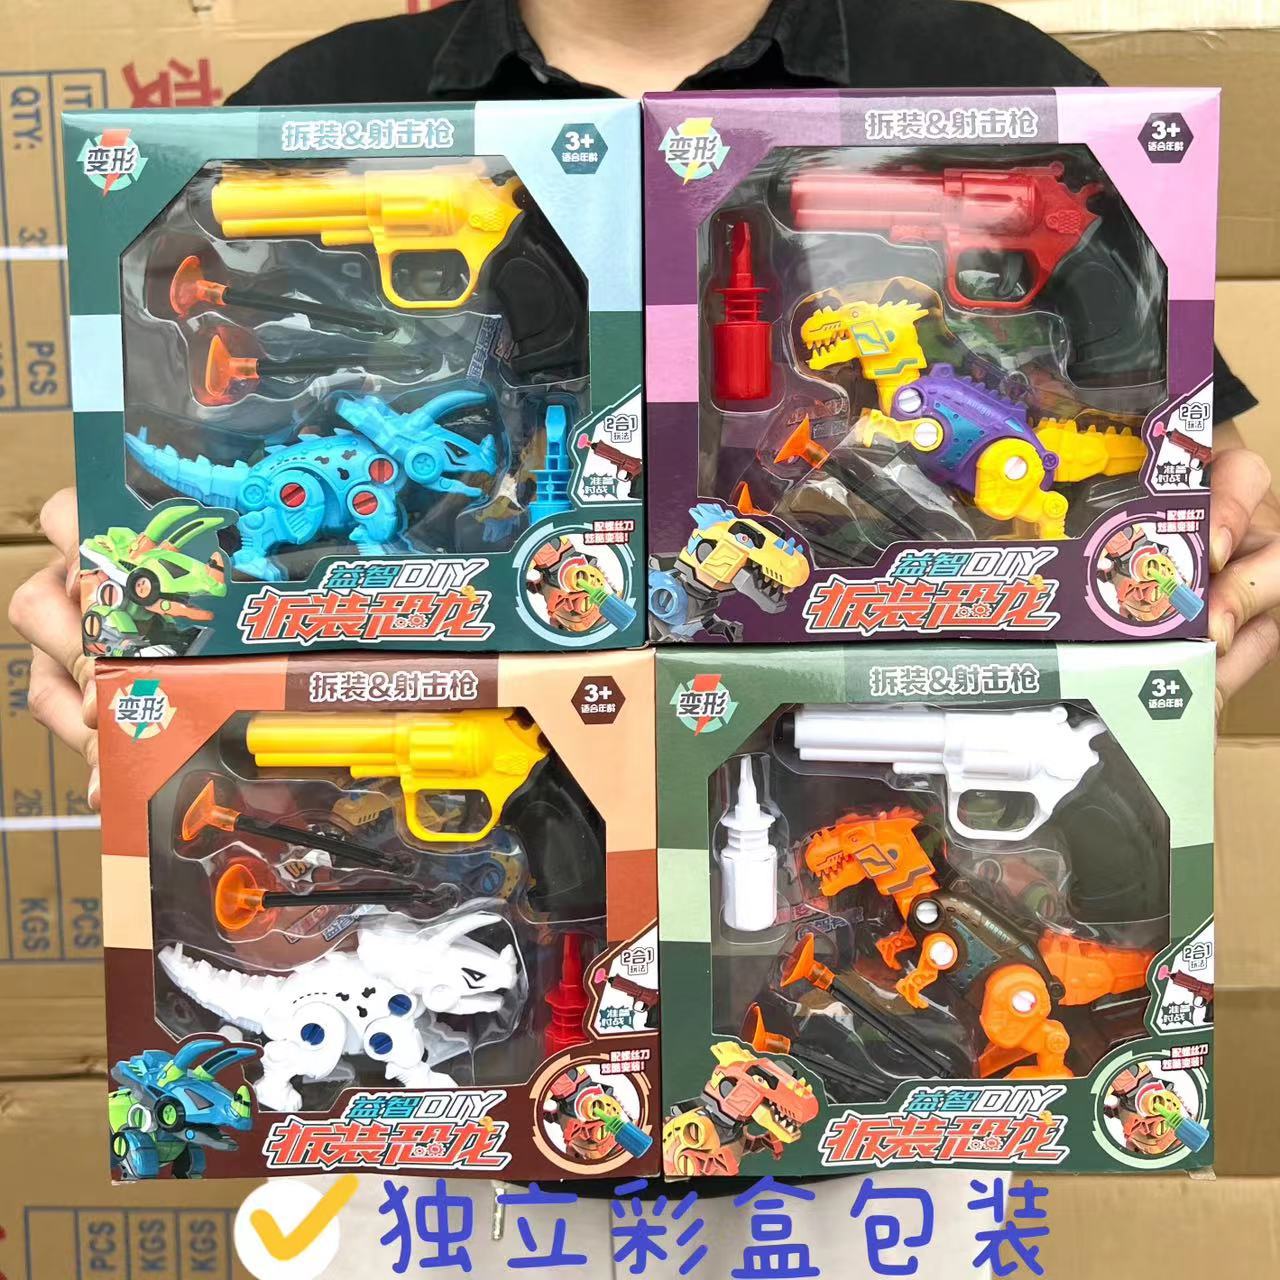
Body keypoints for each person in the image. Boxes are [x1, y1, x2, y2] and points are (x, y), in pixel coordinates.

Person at [10, 0, 1279, 810]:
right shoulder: (312, 104)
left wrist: (1186, 595)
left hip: (871, 834)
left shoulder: (995, 74)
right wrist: (134, 594)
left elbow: (1168, 456)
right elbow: (202, 493)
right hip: (496, 831)